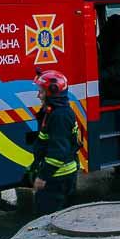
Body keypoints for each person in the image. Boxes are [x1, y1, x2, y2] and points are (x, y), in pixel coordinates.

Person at [32, 69, 79, 215]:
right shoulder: (54, 112)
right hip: (59, 177)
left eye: (41, 92)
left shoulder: (59, 116)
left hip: (58, 179)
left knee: (48, 219)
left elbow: (58, 152)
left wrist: (43, 177)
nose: (38, 95)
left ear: (52, 93)